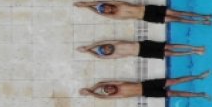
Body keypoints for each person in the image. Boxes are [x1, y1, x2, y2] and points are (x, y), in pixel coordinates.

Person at [79, 71, 210, 100]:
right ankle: (200, 95)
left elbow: (101, 84)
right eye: (108, 90)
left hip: (148, 84)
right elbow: (102, 97)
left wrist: (90, 89)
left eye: (108, 87)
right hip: (147, 92)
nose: (109, 88)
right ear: (109, 93)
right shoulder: (117, 95)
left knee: (175, 80)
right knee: (175, 93)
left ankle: (199, 77)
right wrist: (91, 93)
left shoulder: (119, 84)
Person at [73, 1, 212, 26]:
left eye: (106, 7)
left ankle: (203, 16)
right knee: (176, 19)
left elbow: (99, 2)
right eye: (105, 11)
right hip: (146, 16)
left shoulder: (118, 3)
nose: (107, 9)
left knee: (178, 12)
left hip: (148, 8)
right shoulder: (116, 15)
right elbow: (99, 12)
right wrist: (87, 8)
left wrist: (86, 4)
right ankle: (201, 22)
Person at [77, 40, 205, 61]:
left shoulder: (115, 42)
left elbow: (99, 43)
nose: (106, 48)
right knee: (169, 53)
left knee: (170, 46)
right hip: (142, 52)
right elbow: (99, 57)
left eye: (105, 47)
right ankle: (193, 52)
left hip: (143, 44)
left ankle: (195, 48)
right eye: (105, 50)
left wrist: (88, 47)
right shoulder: (115, 55)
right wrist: (88, 51)